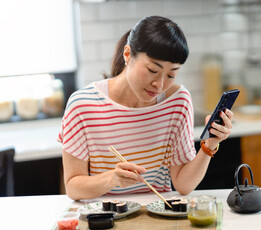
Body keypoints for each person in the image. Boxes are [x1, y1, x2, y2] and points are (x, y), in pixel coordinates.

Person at [58, 16, 234, 200]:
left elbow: (184, 185)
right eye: (152, 70)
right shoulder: (82, 104)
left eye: (171, 75)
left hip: (158, 215)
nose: (159, 84)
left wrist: (211, 144)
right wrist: (112, 179)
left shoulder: (178, 102)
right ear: (127, 54)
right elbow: (73, 188)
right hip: (104, 219)